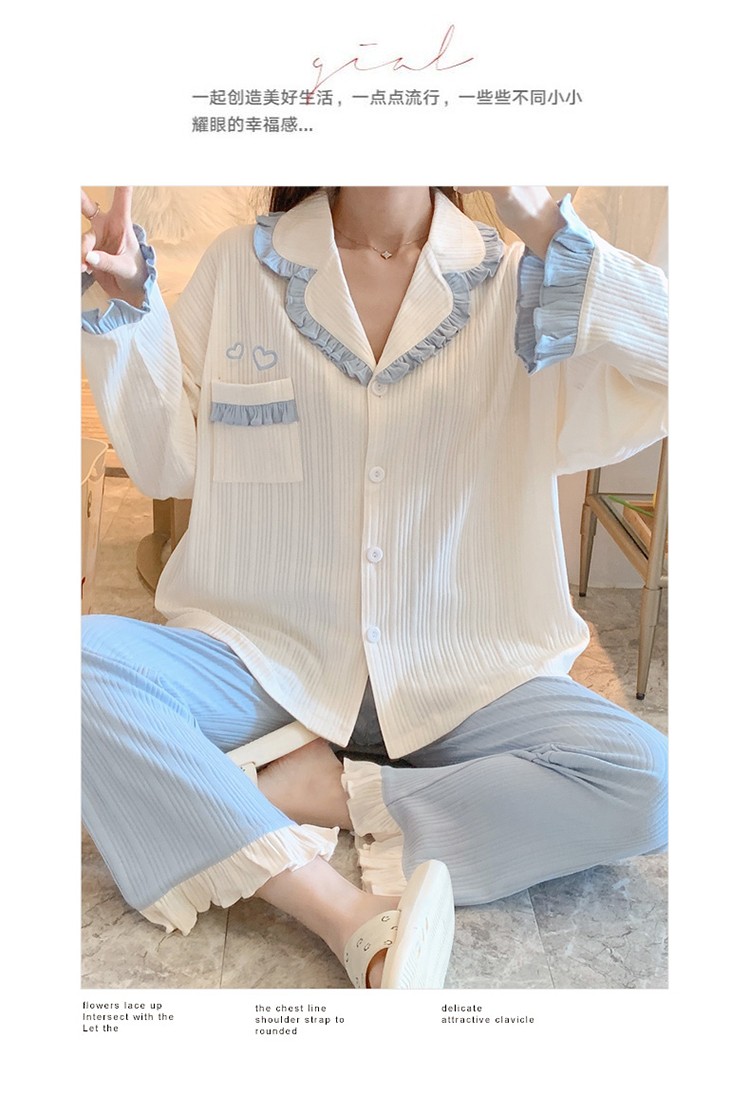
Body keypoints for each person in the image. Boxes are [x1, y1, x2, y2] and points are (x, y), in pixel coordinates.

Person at [80, 184, 668, 990]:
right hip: (267, 662)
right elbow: (164, 463)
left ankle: (321, 792)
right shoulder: (241, 267)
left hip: (465, 672)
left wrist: (544, 224)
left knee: (648, 783)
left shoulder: (516, 280)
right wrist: (125, 304)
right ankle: (340, 913)